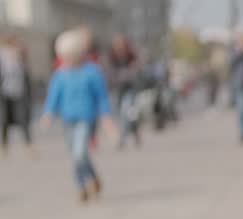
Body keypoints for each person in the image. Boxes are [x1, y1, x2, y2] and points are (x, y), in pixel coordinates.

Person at [41, 29, 116, 203]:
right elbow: (54, 96)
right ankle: (83, 184)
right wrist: (48, 113)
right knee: (74, 155)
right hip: (68, 120)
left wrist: (106, 117)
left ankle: (87, 181)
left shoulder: (92, 71)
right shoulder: (60, 74)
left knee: (79, 153)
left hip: (86, 119)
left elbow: (101, 96)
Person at [0, 35, 35, 157]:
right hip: (5, 95)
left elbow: (27, 80)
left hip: (19, 95)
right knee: (4, 121)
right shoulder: (3, 62)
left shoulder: (21, 63)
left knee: (23, 120)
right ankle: (4, 146)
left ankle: (28, 146)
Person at [107, 35, 143, 149]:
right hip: (119, 89)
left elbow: (137, 68)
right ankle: (135, 132)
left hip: (130, 88)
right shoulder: (112, 57)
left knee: (126, 112)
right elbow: (109, 71)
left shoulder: (130, 55)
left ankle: (122, 138)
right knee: (126, 114)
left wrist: (132, 70)